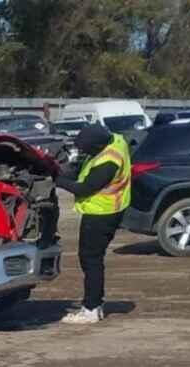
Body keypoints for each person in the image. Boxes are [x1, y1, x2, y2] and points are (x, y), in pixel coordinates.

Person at [53, 122, 131, 325]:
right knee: (92, 259)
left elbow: (83, 189)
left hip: (102, 214)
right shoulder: (114, 141)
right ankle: (94, 305)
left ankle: (91, 308)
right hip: (106, 211)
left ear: (96, 147)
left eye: (84, 148)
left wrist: (56, 179)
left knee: (91, 260)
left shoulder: (108, 162)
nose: (81, 151)